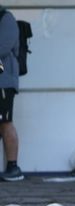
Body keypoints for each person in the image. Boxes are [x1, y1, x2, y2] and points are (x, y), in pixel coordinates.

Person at [0, 5, 23, 181]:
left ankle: (13, 168)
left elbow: (3, 47)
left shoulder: (6, 18)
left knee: (5, 122)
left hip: (4, 82)